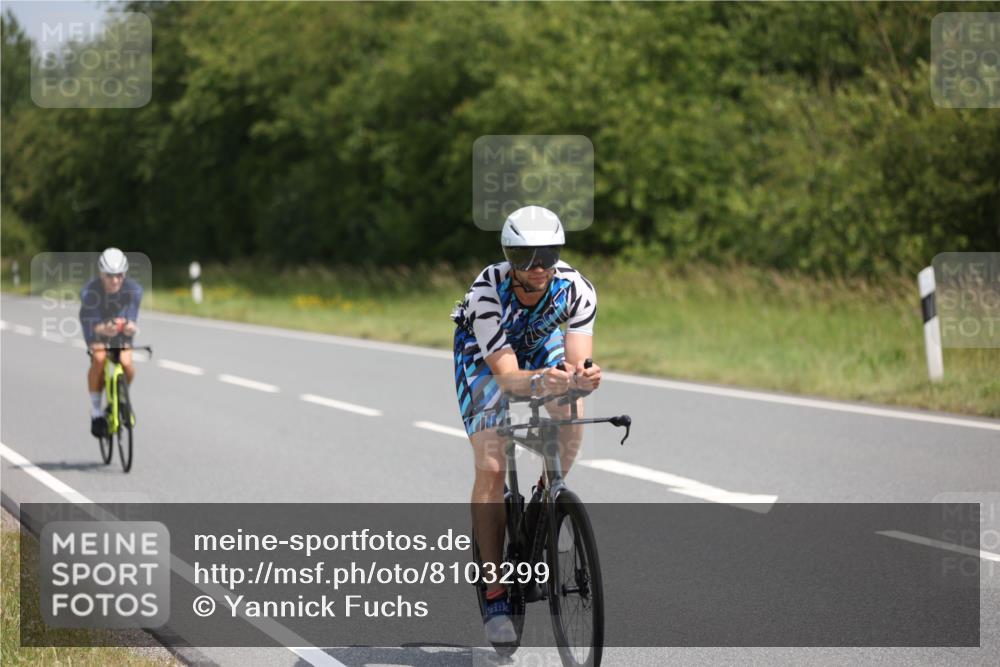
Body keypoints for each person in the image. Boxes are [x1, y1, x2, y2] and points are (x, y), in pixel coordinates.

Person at [450, 205, 602, 644]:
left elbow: (576, 362)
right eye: (526, 258)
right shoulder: (486, 292)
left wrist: (582, 378)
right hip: (485, 359)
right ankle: (495, 589)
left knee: (569, 403)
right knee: (493, 463)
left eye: (548, 255)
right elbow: (508, 378)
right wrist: (538, 381)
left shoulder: (576, 288)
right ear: (509, 257)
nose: (539, 267)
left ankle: (548, 495)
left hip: (540, 343)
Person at [79, 248, 143, 437]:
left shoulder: (134, 289)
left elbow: (132, 317)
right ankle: (96, 411)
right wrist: (102, 329)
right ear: (101, 273)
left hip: (121, 332)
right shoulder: (89, 291)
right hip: (96, 328)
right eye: (109, 276)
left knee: (126, 364)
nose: (115, 280)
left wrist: (131, 325)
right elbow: (91, 323)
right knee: (99, 360)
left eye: (119, 275)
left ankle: (121, 399)